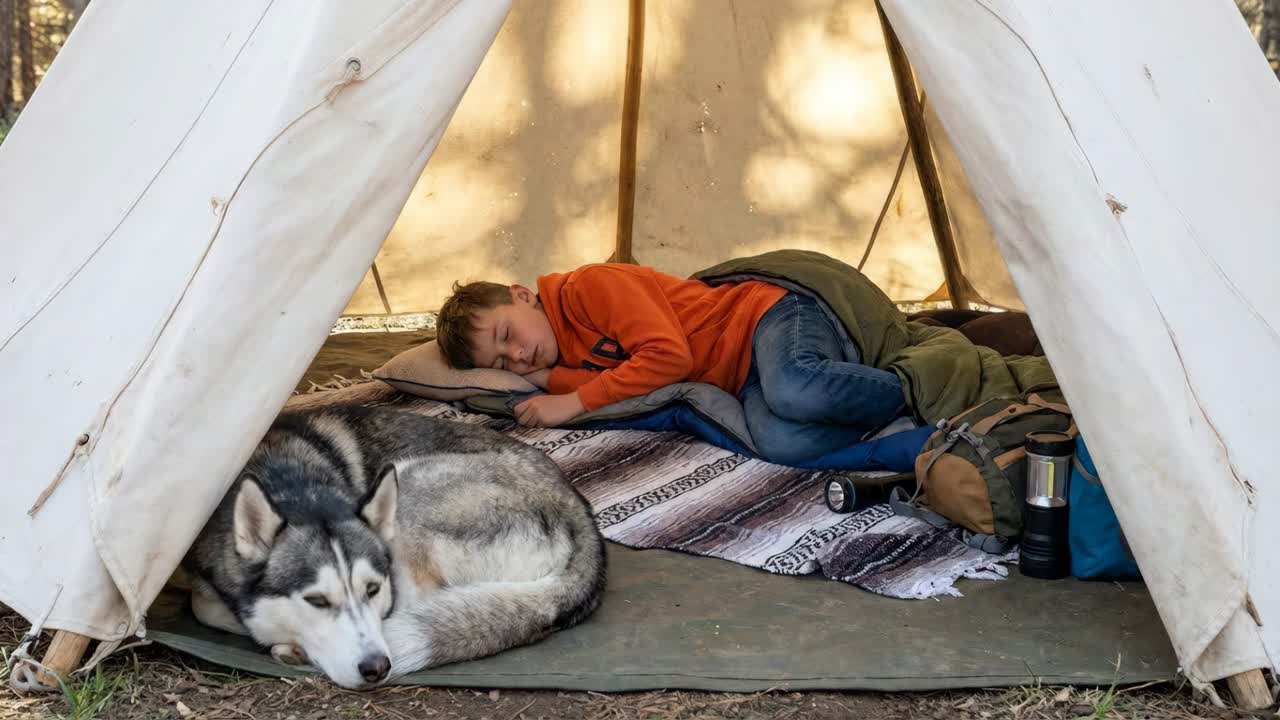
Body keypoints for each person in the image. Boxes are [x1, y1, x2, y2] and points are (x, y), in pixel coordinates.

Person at [435, 262, 907, 465]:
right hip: (741, 376)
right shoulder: (559, 351)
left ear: (522, 295)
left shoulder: (587, 289)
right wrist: (545, 379)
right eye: (504, 361)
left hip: (766, 317)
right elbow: (618, 378)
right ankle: (898, 428)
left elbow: (668, 357)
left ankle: (910, 389)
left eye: (507, 335)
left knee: (794, 390)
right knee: (779, 443)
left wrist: (572, 402)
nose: (517, 354)